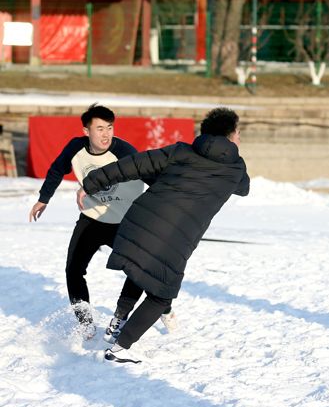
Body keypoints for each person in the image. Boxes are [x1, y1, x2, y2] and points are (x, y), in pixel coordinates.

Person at [77, 107, 250, 364]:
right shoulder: (235, 169)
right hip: (176, 238)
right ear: (231, 135)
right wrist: (234, 157)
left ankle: (117, 322)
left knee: (140, 268)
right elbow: (244, 188)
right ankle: (120, 348)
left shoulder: (181, 152)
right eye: (238, 133)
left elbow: (135, 165)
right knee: (161, 295)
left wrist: (91, 183)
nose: (240, 137)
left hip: (140, 220)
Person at [28, 104, 148, 338]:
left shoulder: (124, 151)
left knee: (141, 270)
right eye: (100, 128)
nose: (106, 134)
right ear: (86, 131)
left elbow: (150, 174)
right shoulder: (76, 147)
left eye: (110, 128)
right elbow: (56, 169)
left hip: (125, 221)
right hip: (91, 219)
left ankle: (131, 313)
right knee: (73, 270)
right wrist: (44, 199)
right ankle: (85, 322)